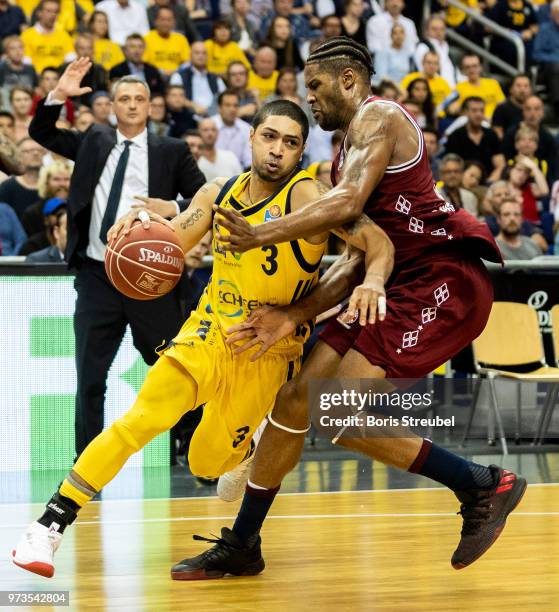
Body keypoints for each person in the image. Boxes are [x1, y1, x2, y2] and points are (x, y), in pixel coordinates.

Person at [180, 36, 526, 579]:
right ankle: (243, 543)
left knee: (338, 415)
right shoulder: (345, 150)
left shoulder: (379, 117)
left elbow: (341, 205)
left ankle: (483, 484)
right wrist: (295, 316)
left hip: (440, 280)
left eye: (314, 87)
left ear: (347, 80)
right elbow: (349, 262)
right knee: (296, 400)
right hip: (388, 282)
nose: (308, 98)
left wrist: (259, 234)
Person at [12, 98, 388, 579]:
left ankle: (245, 452)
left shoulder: (308, 197)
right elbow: (171, 241)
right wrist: (141, 229)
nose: (277, 150)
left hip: (267, 351)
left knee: (205, 460)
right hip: (207, 332)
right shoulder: (217, 193)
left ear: (300, 154)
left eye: (290, 143)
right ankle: (48, 526)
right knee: (143, 418)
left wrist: (372, 281)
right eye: (269, 136)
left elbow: (378, 244)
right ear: (250, 138)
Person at [28, 58, 206, 457]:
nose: (130, 105)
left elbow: (205, 198)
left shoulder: (171, 150)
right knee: (90, 376)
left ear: (149, 105)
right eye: (122, 98)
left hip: (151, 280)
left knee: (173, 369)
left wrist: (172, 207)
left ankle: (193, 446)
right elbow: (40, 131)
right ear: (112, 105)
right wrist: (58, 94)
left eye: (138, 98)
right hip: (97, 275)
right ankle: (86, 461)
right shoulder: (93, 140)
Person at [444, 97, 505, 182]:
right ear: (465, 112)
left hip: (489, 182)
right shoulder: (455, 136)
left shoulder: (491, 135)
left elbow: (500, 165)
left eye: (481, 111)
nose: (479, 114)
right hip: (463, 183)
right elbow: (452, 167)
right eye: (474, 110)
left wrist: (490, 182)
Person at [170, 41, 225, 119]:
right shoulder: (179, 76)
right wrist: (193, 105)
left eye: (204, 53)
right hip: (189, 117)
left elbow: (225, 98)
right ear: (190, 55)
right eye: (197, 53)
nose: (201, 56)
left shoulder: (216, 78)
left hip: (215, 118)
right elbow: (173, 98)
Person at [20, 0, 76, 73]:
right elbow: (26, 63)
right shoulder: (27, 35)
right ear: (39, 13)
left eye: (55, 12)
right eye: (49, 11)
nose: (53, 15)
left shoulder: (64, 35)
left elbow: (71, 59)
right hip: (37, 77)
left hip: (59, 77)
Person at [448, 53, 505, 120]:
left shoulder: (493, 83)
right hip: (473, 122)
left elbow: (503, 105)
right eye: (467, 67)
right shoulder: (459, 87)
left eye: (474, 66)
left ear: (480, 67)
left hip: (495, 121)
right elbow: (451, 110)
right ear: (463, 70)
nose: (471, 70)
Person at [0, 137, 43, 218]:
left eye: (39, 150)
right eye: (28, 151)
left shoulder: (50, 185)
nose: (35, 153)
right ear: (18, 155)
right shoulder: (7, 188)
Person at [143, 6, 191, 77]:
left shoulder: (181, 39)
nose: (165, 23)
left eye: (169, 20)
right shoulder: (147, 38)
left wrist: (176, 72)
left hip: (177, 76)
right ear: (156, 21)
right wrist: (160, 71)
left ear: (174, 22)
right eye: (162, 19)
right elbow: (144, 63)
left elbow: (187, 63)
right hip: (155, 77)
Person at [210, 90, 252, 168]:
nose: (232, 109)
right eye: (227, 105)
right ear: (219, 108)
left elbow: (248, 159)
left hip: (238, 174)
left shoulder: (246, 128)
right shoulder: (210, 125)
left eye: (235, 105)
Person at [414, 14, 457, 88]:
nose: (438, 32)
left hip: (451, 91)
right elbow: (424, 72)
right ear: (426, 31)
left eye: (442, 29)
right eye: (434, 29)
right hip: (433, 89)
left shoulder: (446, 48)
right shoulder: (423, 47)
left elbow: (454, 73)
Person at [533, 0, 559, 116]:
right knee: (556, 66)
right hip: (547, 69)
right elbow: (536, 54)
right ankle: (557, 104)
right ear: (551, 14)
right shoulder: (544, 29)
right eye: (557, 13)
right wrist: (555, 58)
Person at [0, 36, 38, 112]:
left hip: (28, 110)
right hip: (7, 110)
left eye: (20, 47)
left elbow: (35, 91)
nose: (17, 51)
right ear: (7, 53)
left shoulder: (30, 69)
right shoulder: (2, 69)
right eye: (12, 48)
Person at [492, 73, 533, 140]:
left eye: (526, 86)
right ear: (511, 89)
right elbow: (498, 134)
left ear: (530, 90)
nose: (522, 90)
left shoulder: (534, 108)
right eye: (518, 86)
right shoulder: (501, 109)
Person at [437, 153, 479, 218]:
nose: (453, 175)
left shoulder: (470, 197)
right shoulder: (435, 197)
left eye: (456, 171)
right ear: (441, 175)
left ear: (462, 174)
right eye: (448, 172)